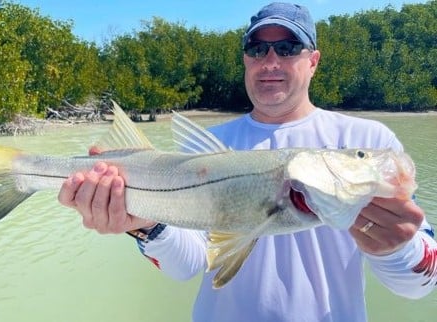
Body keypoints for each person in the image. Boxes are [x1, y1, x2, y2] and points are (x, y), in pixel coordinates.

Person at [58, 2, 437, 321]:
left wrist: (396, 248)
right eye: (258, 50)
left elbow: (419, 286)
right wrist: (142, 226)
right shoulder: (210, 148)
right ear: (246, 59)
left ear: (314, 61)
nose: (270, 61)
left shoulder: (369, 140)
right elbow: (188, 265)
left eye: (288, 48)